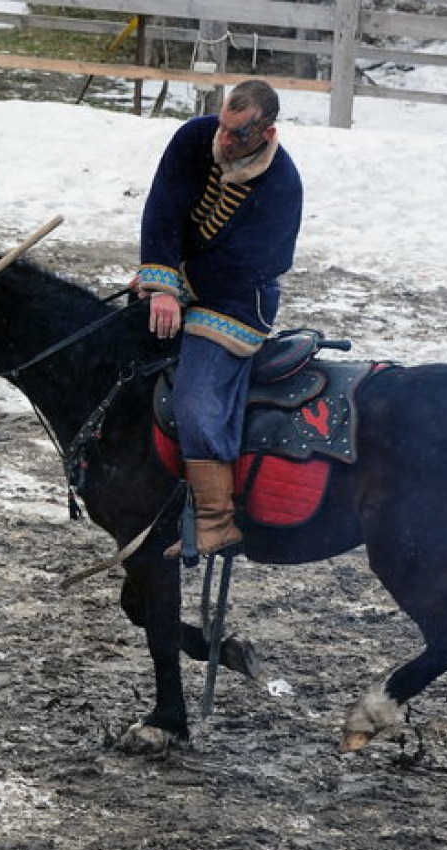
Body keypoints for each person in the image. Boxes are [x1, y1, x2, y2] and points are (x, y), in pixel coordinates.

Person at [136, 79, 303, 557]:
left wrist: (177, 286)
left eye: (238, 135)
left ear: (267, 133)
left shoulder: (282, 184)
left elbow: (255, 264)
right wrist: (160, 281)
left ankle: (216, 520)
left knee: (195, 400)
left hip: (237, 301)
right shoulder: (195, 136)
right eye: (224, 128)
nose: (224, 141)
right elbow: (163, 208)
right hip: (179, 279)